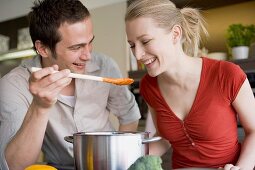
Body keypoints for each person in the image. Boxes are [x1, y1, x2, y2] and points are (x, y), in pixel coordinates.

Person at [0, 0, 141, 169]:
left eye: (90, 42)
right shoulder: (13, 84)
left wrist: (119, 161)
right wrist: (40, 107)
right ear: (43, 48)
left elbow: (129, 115)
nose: (88, 55)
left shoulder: (105, 66)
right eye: (77, 47)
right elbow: (14, 165)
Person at [125, 0, 255, 169]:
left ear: (175, 34)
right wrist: (128, 160)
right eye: (132, 45)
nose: (138, 54)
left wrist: (241, 168)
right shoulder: (149, 86)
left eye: (146, 41)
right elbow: (165, 138)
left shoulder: (227, 75)